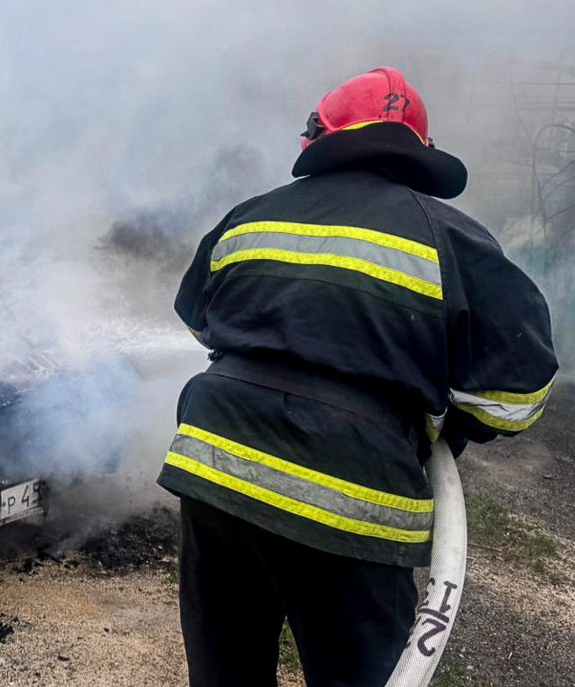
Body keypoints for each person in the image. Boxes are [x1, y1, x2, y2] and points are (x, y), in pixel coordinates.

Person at [157, 67, 557, 687]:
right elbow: (515, 395)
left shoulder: (252, 217)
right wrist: (438, 433)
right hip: (351, 493)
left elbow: (198, 321)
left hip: (215, 470)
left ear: (318, 136)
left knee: (226, 670)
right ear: (421, 151)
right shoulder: (454, 240)